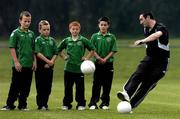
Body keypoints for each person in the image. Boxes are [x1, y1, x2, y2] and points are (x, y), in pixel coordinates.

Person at [117, 12, 170, 110]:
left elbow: (156, 35)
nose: (140, 22)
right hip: (149, 58)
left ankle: (131, 106)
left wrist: (142, 41)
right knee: (138, 73)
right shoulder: (146, 29)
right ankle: (126, 93)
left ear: (148, 17)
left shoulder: (161, 27)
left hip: (161, 63)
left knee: (147, 85)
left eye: (141, 19)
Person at [1, 11, 36, 111]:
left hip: (29, 65)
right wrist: (16, 62)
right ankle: (9, 105)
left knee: (26, 87)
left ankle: (22, 105)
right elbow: (12, 48)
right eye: (25, 21)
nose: (27, 23)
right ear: (20, 21)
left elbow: (33, 49)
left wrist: (34, 62)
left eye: (29, 21)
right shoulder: (15, 33)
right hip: (19, 65)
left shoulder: (31, 34)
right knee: (15, 86)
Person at [57, 21, 95, 110]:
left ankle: (81, 104)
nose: (75, 31)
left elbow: (92, 49)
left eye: (76, 29)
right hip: (68, 69)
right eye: (73, 29)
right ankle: (66, 104)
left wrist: (87, 58)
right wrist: (64, 57)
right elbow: (58, 50)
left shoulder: (83, 40)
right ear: (70, 30)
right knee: (68, 88)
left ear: (79, 30)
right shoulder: (66, 40)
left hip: (80, 69)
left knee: (80, 89)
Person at [88, 16, 117, 110]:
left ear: (108, 26)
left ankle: (105, 103)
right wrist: (99, 58)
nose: (103, 26)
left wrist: (105, 59)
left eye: (105, 25)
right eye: (101, 25)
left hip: (108, 64)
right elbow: (92, 49)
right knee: (96, 84)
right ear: (98, 25)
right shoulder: (94, 36)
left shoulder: (112, 37)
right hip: (97, 63)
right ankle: (93, 103)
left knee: (107, 84)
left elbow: (113, 50)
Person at [34, 20, 58, 110]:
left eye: (48, 29)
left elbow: (56, 52)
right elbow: (37, 53)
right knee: (40, 86)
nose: (46, 31)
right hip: (41, 63)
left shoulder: (52, 40)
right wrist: (47, 61)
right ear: (39, 30)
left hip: (50, 63)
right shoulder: (38, 40)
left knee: (48, 87)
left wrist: (51, 62)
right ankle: (41, 105)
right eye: (44, 30)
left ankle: (45, 103)